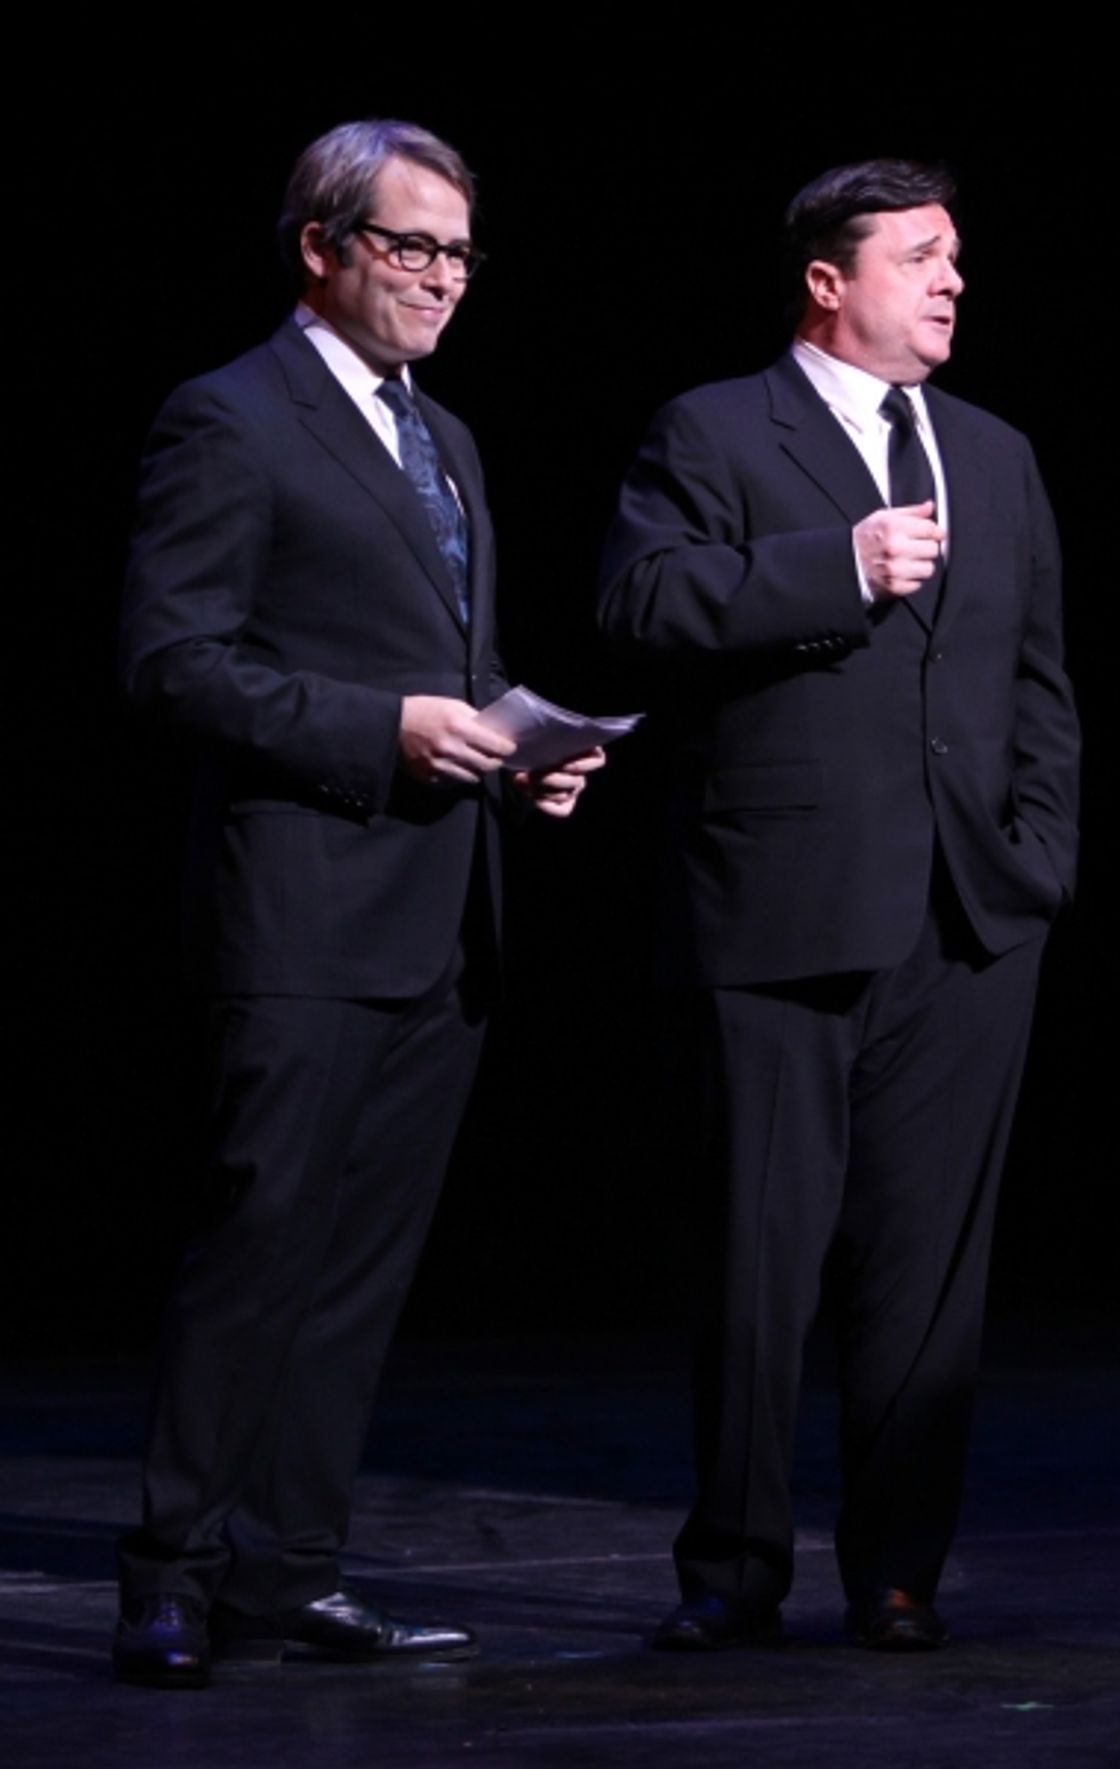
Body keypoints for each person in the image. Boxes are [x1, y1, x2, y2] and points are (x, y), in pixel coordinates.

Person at [114, 118, 602, 1689]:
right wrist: (379, 729)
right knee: (260, 1248)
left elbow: (451, 665)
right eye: (412, 245)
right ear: (320, 246)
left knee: (357, 1274)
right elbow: (173, 659)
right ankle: (170, 1574)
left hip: (443, 912)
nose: (444, 280)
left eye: (460, 252)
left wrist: (524, 747)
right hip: (305, 912)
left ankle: (290, 1571)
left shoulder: (445, 438)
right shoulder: (231, 419)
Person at [598, 159, 1079, 1652]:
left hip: (968, 919)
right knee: (761, 1257)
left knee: (930, 1273)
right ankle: (734, 1568)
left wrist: (1038, 856)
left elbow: (1038, 683)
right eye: (921, 257)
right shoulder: (715, 427)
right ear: (829, 277)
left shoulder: (994, 453)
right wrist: (834, 566)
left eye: (957, 259)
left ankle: (898, 1570)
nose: (951, 283)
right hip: (780, 911)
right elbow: (637, 605)